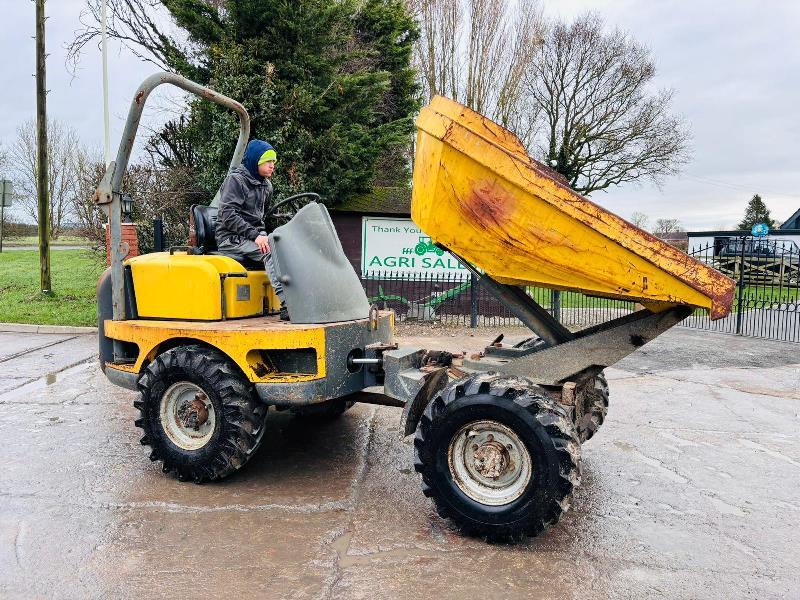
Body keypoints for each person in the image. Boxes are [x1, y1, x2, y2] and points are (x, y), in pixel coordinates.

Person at [216, 139, 288, 320]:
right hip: (231, 237)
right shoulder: (236, 181)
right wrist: (256, 236)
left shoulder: (266, 186)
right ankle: (288, 304)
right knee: (269, 250)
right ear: (256, 160)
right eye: (268, 161)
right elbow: (228, 215)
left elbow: (263, 218)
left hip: (254, 236)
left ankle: (303, 298)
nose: (272, 165)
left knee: (286, 248)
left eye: (274, 161)